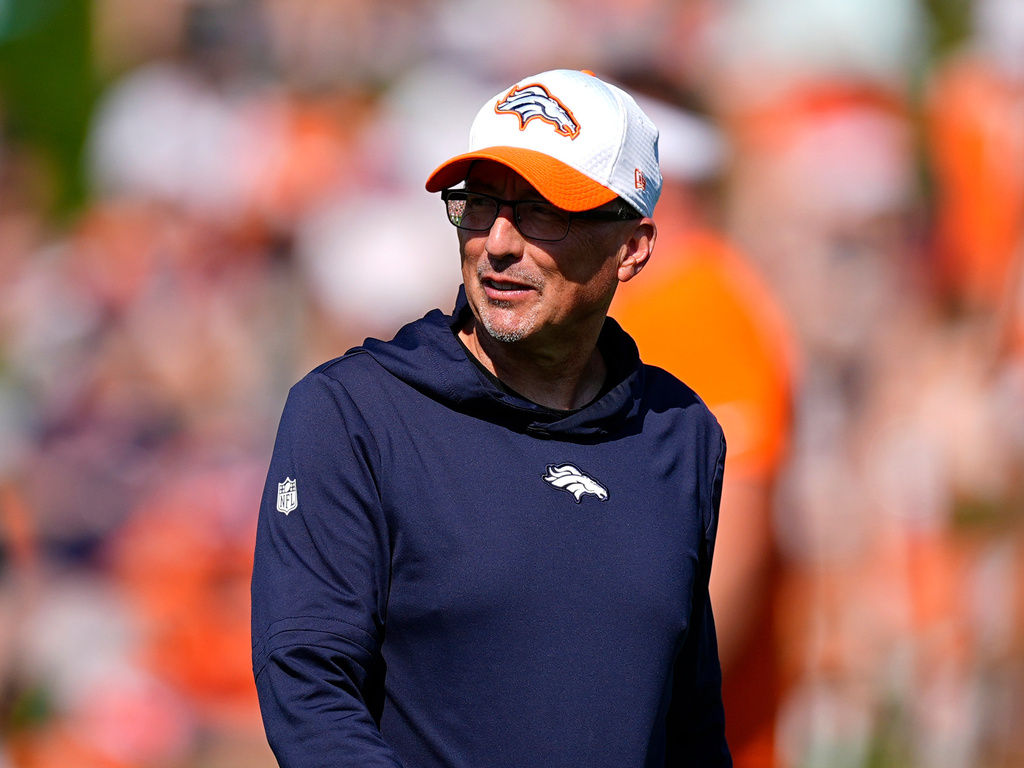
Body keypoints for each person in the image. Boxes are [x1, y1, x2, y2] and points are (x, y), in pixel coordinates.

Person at [251, 69, 732, 768]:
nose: (498, 242)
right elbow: (308, 692)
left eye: (542, 209)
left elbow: (688, 728)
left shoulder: (681, 434)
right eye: (479, 203)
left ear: (632, 244)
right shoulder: (354, 414)